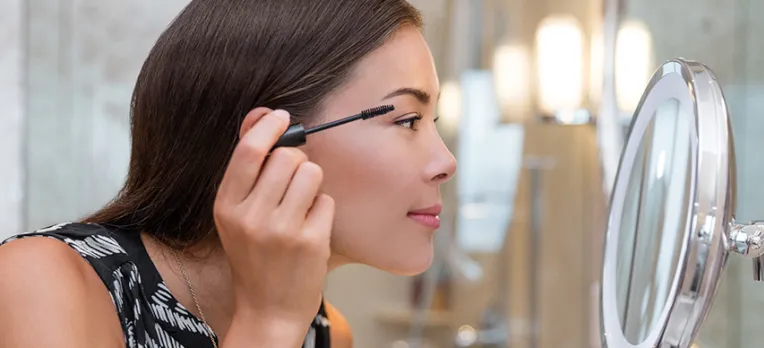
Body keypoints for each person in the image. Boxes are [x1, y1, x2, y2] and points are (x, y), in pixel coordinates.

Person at [0, 0, 456, 347]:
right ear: (270, 141)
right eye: (406, 120)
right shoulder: (38, 283)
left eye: (431, 124)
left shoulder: (327, 332)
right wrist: (268, 324)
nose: (446, 162)